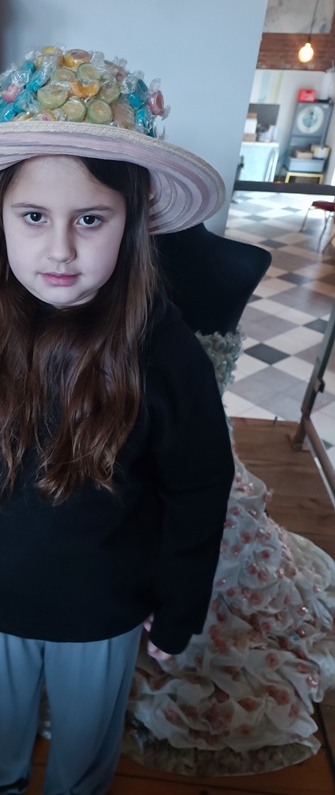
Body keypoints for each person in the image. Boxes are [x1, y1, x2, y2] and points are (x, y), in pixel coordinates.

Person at [0, 46, 235, 795]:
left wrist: (179, 605)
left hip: (106, 612)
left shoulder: (165, 354)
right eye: (35, 216)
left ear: (130, 225)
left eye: (92, 219)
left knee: (85, 746)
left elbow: (199, 489)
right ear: (2, 217)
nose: (62, 250)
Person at [119, 226, 335, 776]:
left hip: (200, 458)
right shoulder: (113, 256)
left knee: (203, 541)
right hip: (119, 450)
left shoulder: (244, 259)